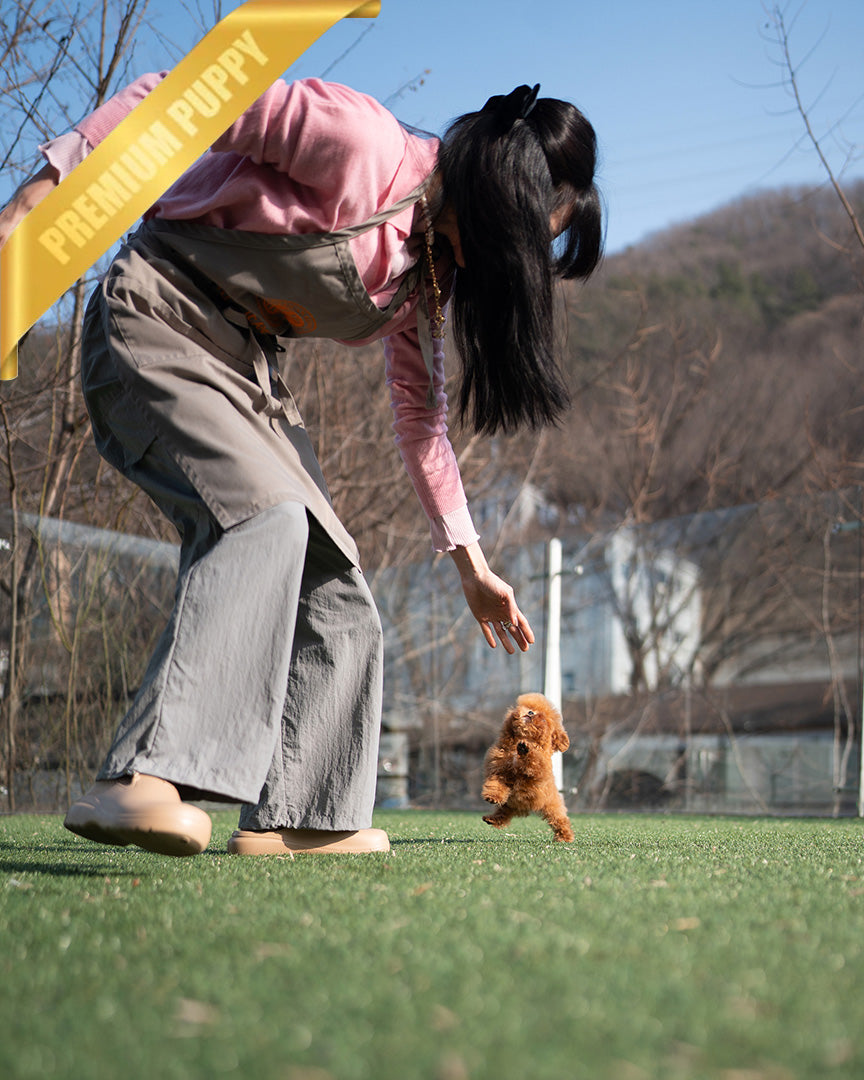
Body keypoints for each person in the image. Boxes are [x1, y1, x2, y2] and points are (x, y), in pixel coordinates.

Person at [0, 77, 602, 856]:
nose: (524, 263)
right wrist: (33, 206)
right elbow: (186, 96)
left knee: (337, 584)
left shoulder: (425, 278)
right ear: (504, 195)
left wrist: (471, 564)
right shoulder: (363, 146)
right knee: (266, 519)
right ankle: (142, 779)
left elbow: (422, 422)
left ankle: (302, 815)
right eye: (533, 236)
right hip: (155, 316)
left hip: (246, 370)